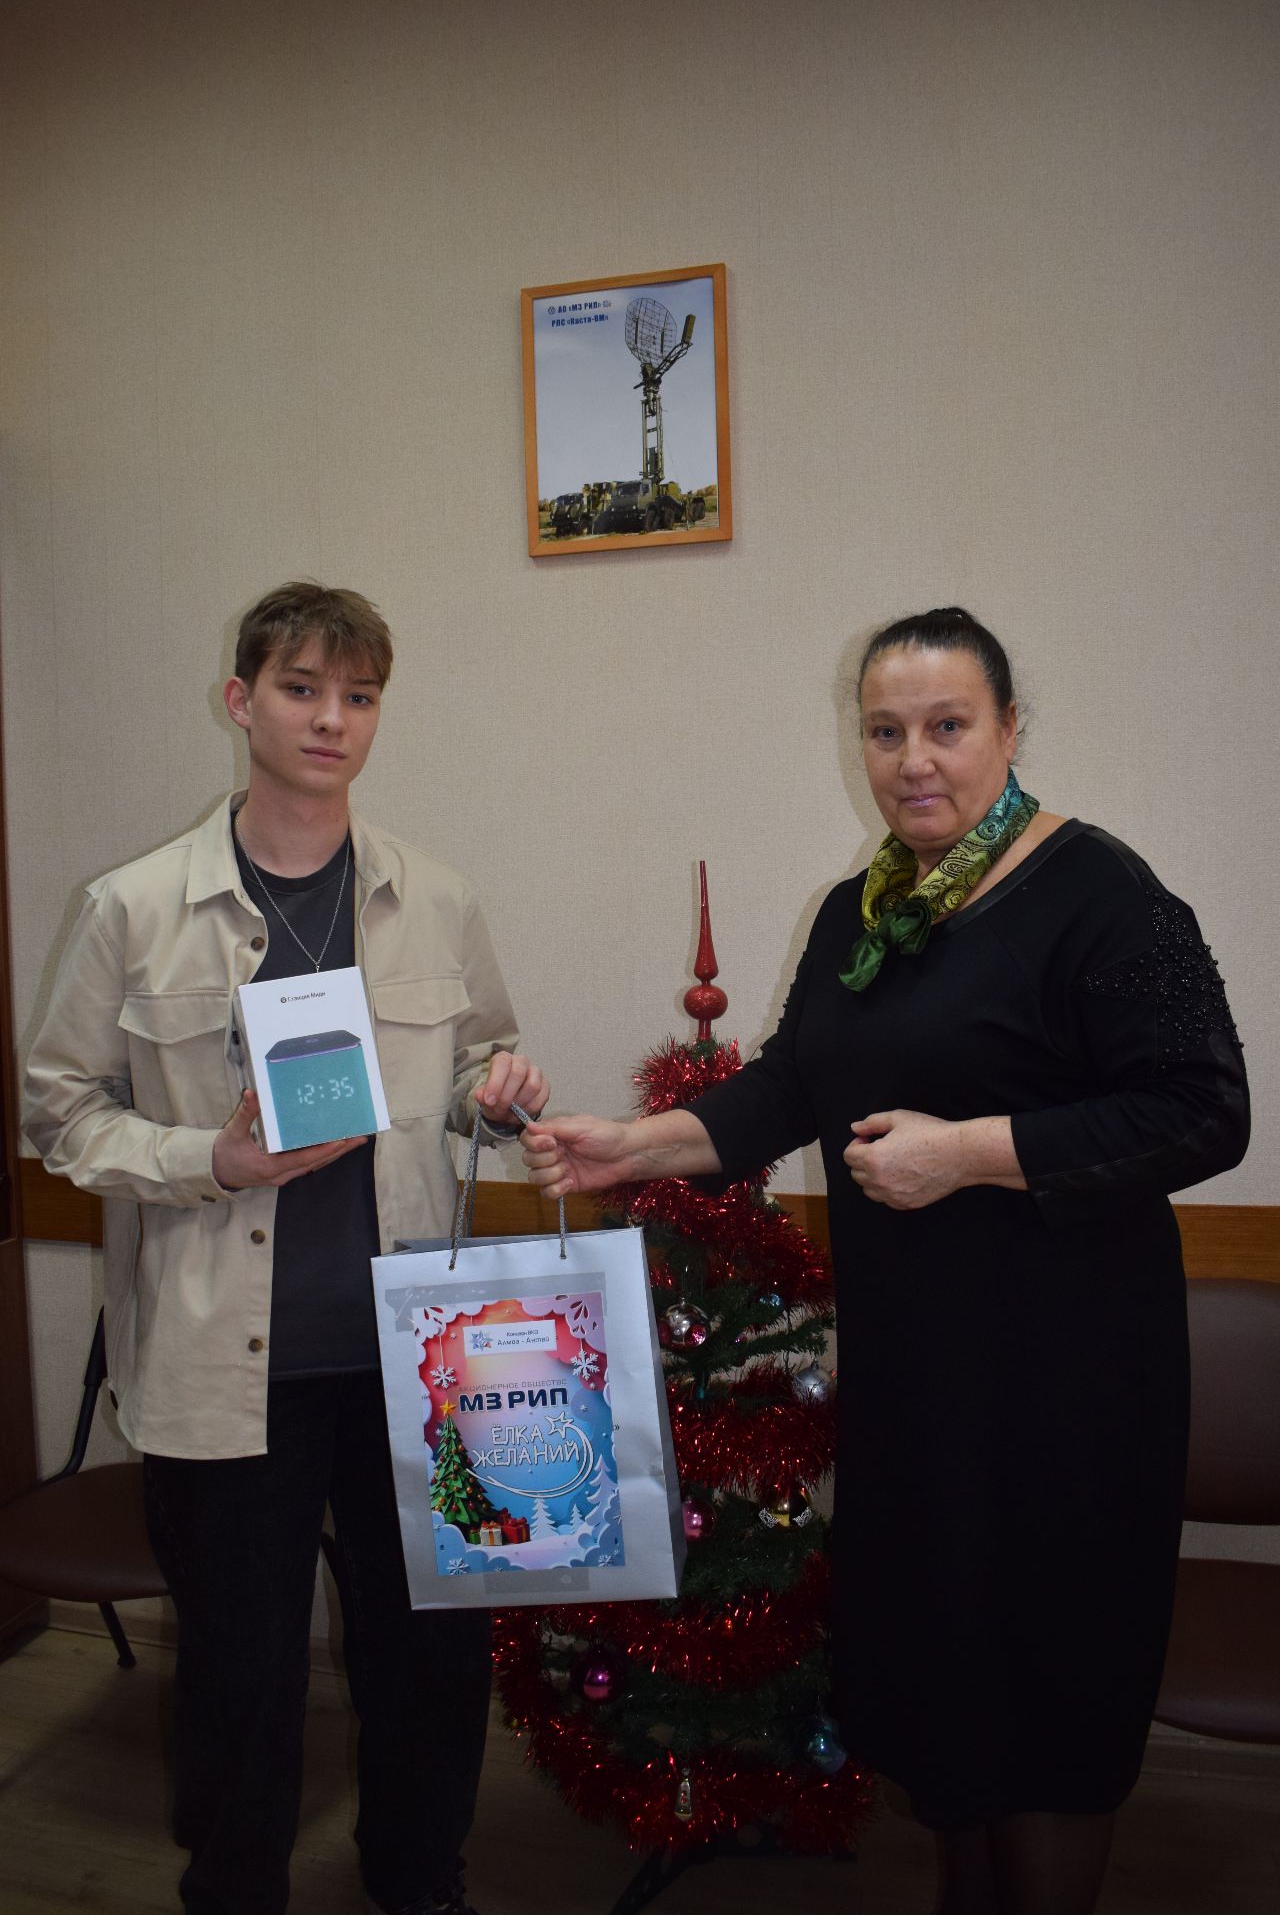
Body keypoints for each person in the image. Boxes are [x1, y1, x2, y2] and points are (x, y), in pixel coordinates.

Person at [521, 607, 1249, 1915]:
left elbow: (1204, 1110)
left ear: (1010, 730)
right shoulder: (868, 908)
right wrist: (632, 1145)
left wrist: (969, 1153)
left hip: (1068, 1392)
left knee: (1048, 1704)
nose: (915, 760)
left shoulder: (1100, 893)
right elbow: (791, 1084)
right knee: (950, 1695)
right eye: (886, 730)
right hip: (922, 1388)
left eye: (947, 726)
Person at [24, 582, 547, 1915]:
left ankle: (418, 1879)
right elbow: (60, 1114)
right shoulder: (134, 905)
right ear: (239, 699)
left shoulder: (434, 896)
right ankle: (235, 1888)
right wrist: (212, 1159)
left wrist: (497, 1089)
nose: (332, 719)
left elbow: (480, 1055)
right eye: (302, 689)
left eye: (358, 696)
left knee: (431, 1659)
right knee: (241, 1675)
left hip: (416, 1361)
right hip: (224, 1368)